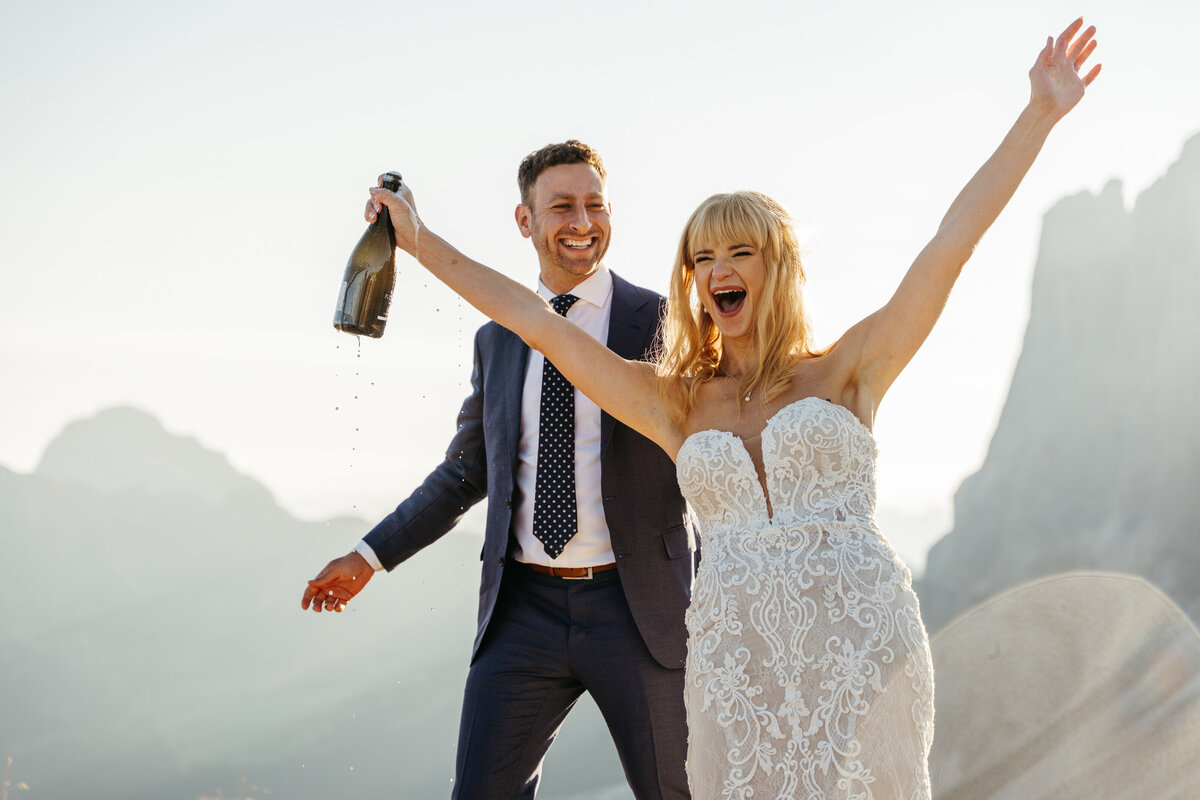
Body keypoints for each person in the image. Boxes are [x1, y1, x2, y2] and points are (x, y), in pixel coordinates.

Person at [358, 19, 1101, 799]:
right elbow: (532, 319)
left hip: (862, 647)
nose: (720, 270)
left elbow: (952, 244)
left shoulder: (850, 369)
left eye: (739, 251)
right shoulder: (673, 404)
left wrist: (1039, 115)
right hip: (736, 672)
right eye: (703, 257)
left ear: (776, 265)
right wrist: (419, 240)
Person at [301, 141, 694, 799]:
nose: (581, 221)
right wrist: (369, 555)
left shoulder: (663, 322)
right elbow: (465, 472)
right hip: (524, 613)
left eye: (594, 204)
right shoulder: (497, 338)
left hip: (639, 610)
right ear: (524, 221)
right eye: (561, 206)